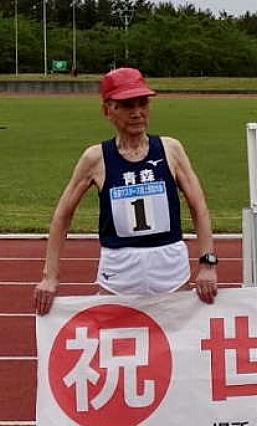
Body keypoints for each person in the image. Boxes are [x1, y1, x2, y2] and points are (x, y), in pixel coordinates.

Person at [33, 67, 219, 315]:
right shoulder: (95, 158)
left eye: (143, 104)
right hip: (118, 270)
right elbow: (62, 217)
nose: (137, 113)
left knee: (177, 343)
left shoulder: (170, 149)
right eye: (127, 105)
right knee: (113, 341)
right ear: (107, 110)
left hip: (170, 266)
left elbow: (199, 208)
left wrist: (208, 263)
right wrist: (50, 276)